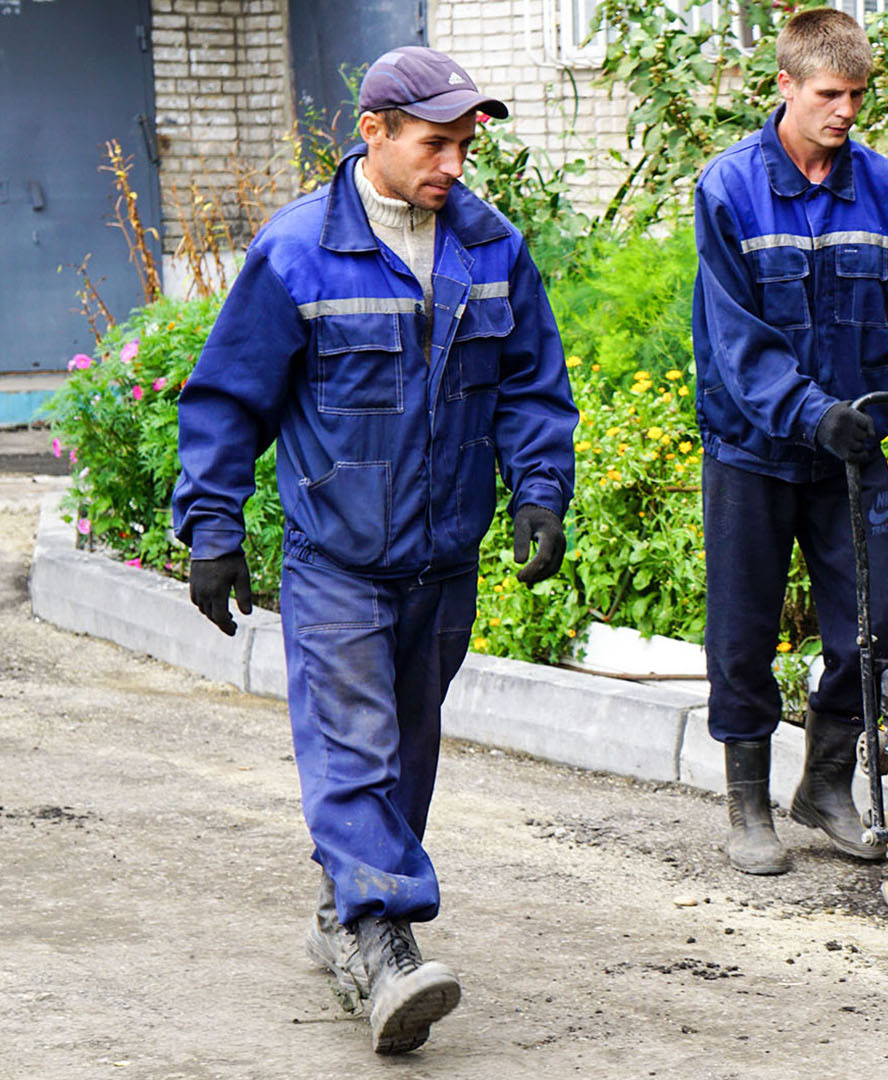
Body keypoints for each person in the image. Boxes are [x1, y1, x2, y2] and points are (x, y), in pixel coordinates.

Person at [171, 46, 576, 1054]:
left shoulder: (493, 248)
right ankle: (389, 944)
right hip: (338, 560)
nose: (454, 164)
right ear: (376, 134)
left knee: (406, 756)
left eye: (465, 144)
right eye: (435, 143)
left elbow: (531, 386)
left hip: (443, 562)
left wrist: (539, 493)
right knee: (353, 748)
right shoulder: (298, 251)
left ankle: (344, 916)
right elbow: (229, 398)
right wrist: (214, 527)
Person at [692, 9, 888, 876]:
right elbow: (738, 342)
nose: (845, 111)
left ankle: (825, 787)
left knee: (875, 626)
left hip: (853, 456)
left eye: (857, 95)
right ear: (785, 86)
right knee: (744, 632)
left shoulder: (886, 190)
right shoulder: (728, 189)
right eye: (829, 94)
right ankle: (747, 805)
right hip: (753, 452)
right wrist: (805, 410)